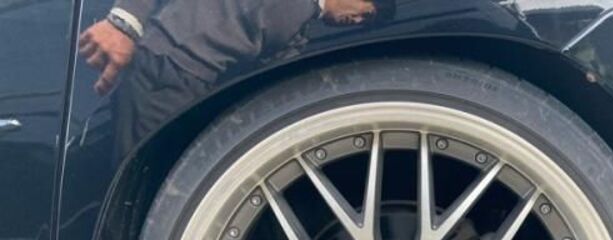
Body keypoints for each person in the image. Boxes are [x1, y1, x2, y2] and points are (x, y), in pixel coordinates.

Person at [78, 0, 395, 156]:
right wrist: (125, 21)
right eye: (367, 12)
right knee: (148, 178)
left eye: (365, 23)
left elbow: (272, 83)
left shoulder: (300, 32)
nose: (357, 20)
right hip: (162, 66)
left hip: (193, 90)